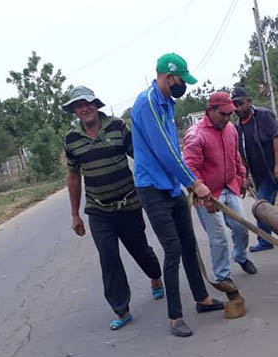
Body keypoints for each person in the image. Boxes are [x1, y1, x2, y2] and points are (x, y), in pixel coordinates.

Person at [130, 53, 223, 338]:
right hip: (152, 188)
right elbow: (164, 152)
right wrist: (195, 183)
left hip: (170, 185)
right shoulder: (147, 103)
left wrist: (185, 185)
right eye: (182, 80)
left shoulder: (167, 104)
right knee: (173, 250)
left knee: (188, 243)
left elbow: (175, 149)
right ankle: (175, 316)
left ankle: (202, 298)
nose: (184, 86)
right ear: (169, 76)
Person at [63, 86, 163, 331]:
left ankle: (155, 276)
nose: (84, 108)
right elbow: (74, 176)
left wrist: (158, 185)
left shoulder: (117, 126)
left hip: (128, 203)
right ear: (75, 111)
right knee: (108, 257)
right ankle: (122, 309)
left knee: (140, 249)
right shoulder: (72, 139)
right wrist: (75, 214)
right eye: (78, 106)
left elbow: (139, 156)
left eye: (87, 103)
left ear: (96, 105)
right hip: (98, 210)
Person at [183, 92, 257, 286]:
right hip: (208, 195)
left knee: (241, 228)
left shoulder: (230, 129)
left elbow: (235, 156)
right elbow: (189, 168)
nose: (226, 118)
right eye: (222, 114)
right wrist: (202, 195)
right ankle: (223, 276)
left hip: (229, 186)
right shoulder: (196, 135)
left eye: (229, 114)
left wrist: (241, 178)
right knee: (219, 238)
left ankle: (240, 257)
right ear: (210, 111)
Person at [231, 87, 278, 252]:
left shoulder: (264, 115)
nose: (238, 108)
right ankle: (265, 241)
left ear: (249, 101)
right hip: (263, 175)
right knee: (262, 208)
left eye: (241, 104)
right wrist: (245, 175)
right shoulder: (237, 128)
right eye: (235, 105)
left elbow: (276, 137)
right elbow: (241, 153)